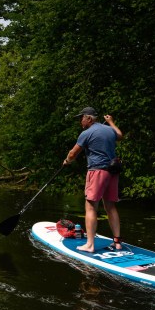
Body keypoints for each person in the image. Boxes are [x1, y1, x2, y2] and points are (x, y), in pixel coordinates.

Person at [62, 107, 124, 252]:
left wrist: (66, 161)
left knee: (90, 207)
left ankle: (89, 245)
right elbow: (120, 135)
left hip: (97, 172)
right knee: (110, 206)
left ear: (89, 118)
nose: (80, 121)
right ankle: (117, 243)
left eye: (81, 117)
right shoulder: (109, 130)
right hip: (112, 172)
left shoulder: (86, 133)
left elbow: (72, 153)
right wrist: (111, 122)